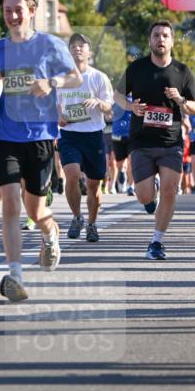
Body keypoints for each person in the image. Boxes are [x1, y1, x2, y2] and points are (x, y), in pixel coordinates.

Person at [0, 0, 82, 302]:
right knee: (11, 204)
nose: (12, 16)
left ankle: (51, 235)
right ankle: (15, 275)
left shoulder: (50, 45)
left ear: (31, 9)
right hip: (8, 136)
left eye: (18, 10)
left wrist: (50, 84)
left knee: (35, 210)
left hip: (40, 137)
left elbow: (74, 77)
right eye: (7, 10)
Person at [114, 20, 195, 259]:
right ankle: (150, 198)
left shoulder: (183, 71)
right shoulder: (136, 69)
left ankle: (156, 242)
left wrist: (181, 100)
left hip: (171, 142)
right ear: (150, 40)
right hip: (141, 141)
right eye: (156, 35)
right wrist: (131, 106)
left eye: (165, 36)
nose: (160, 39)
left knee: (171, 191)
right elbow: (117, 95)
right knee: (144, 196)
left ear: (171, 41)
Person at [57, 33, 113, 243]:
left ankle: (91, 223)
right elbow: (54, 105)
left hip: (93, 136)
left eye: (82, 46)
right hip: (70, 135)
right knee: (71, 175)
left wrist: (98, 102)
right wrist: (58, 117)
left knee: (93, 185)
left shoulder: (98, 77)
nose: (77, 49)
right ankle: (76, 217)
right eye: (74, 46)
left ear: (89, 51)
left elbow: (110, 110)